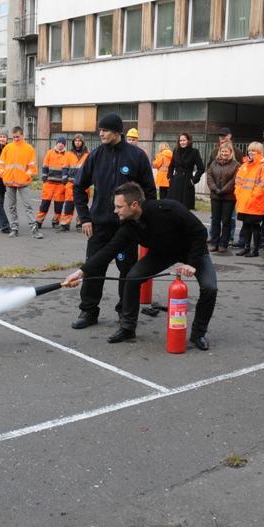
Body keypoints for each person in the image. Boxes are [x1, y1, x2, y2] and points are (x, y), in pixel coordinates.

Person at [63, 182, 217, 350]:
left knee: (210, 288)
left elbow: (200, 232)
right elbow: (108, 251)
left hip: (194, 252)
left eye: (119, 207)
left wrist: (191, 263)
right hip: (162, 254)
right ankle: (128, 328)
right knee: (132, 278)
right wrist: (80, 272)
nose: (115, 211)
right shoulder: (129, 226)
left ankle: (198, 334)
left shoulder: (169, 208)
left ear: (134, 205)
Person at [72, 113, 157, 329]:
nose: (101, 133)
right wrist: (85, 218)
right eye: (100, 130)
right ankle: (88, 311)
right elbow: (78, 187)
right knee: (93, 269)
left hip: (126, 228)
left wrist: (142, 220)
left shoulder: (136, 156)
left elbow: (149, 192)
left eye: (106, 130)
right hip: (99, 225)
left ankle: (125, 314)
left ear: (117, 132)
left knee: (127, 272)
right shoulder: (96, 156)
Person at [0, 126, 43, 239]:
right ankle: (14, 228)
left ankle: (34, 229)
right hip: (9, 182)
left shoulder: (29, 149)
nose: (16, 139)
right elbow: (0, 164)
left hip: (23, 183)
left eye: (17, 136)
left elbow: (33, 167)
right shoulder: (8, 148)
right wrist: (3, 175)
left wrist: (26, 176)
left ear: (22, 135)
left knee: (28, 206)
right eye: (14, 137)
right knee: (12, 206)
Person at [234, 142, 264, 257]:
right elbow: (238, 181)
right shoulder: (245, 165)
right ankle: (246, 247)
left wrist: (253, 196)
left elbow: (263, 183)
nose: (250, 153)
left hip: (256, 201)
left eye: (253, 151)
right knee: (246, 225)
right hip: (244, 201)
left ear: (259, 152)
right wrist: (238, 194)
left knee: (255, 226)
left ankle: (254, 250)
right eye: (249, 150)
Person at [206, 142, 240, 253]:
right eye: (222, 151)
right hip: (215, 196)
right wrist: (215, 189)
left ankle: (223, 244)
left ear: (231, 152)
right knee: (215, 220)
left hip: (228, 197)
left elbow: (234, 180)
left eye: (226, 151)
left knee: (226, 221)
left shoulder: (236, 165)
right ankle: (214, 243)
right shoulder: (214, 163)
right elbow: (209, 176)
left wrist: (224, 190)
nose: (224, 153)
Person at [37, 136, 69, 229]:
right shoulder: (49, 153)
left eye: (62, 143)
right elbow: (45, 166)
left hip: (61, 184)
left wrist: (65, 179)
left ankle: (56, 221)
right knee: (45, 203)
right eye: (59, 143)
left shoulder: (67, 155)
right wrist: (44, 176)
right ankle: (39, 221)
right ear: (56, 143)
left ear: (64, 145)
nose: (60, 145)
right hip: (49, 183)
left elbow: (68, 168)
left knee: (59, 204)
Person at [166, 132, 204, 210]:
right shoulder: (176, 151)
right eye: (180, 140)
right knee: (173, 208)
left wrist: (193, 180)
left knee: (185, 209)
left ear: (188, 141)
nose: (182, 142)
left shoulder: (194, 152)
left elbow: (201, 168)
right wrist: (170, 178)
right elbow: (171, 166)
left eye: (184, 140)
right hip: (175, 183)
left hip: (187, 182)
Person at [61, 133, 90, 232]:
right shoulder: (69, 154)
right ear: (74, 142)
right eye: (76, 141)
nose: (77, 143)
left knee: (82, 204)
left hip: (83, 183)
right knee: (69, 204)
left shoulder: (88, 154)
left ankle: (80, 223)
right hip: (70, 182)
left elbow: (90, 168)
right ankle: (65, 223)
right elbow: (65, 166)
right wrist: (64, 178)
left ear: (82, 142)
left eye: (79, 141)